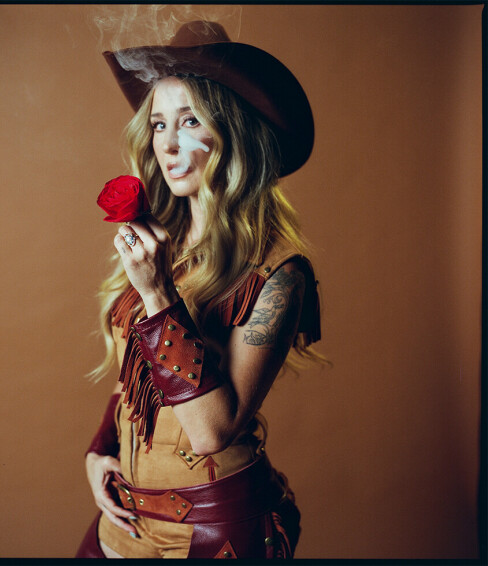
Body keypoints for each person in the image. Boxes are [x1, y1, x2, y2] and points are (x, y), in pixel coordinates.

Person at [76, 21, 324, 559]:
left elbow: (214, 430)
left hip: (212, 532)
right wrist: (100, 451)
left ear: (232, 129)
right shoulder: (163, 233)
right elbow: (131, 372)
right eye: (159, 123)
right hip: (124, 521)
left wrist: (159, 295)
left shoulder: (280, 271)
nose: (166, 143)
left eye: (189, 121)